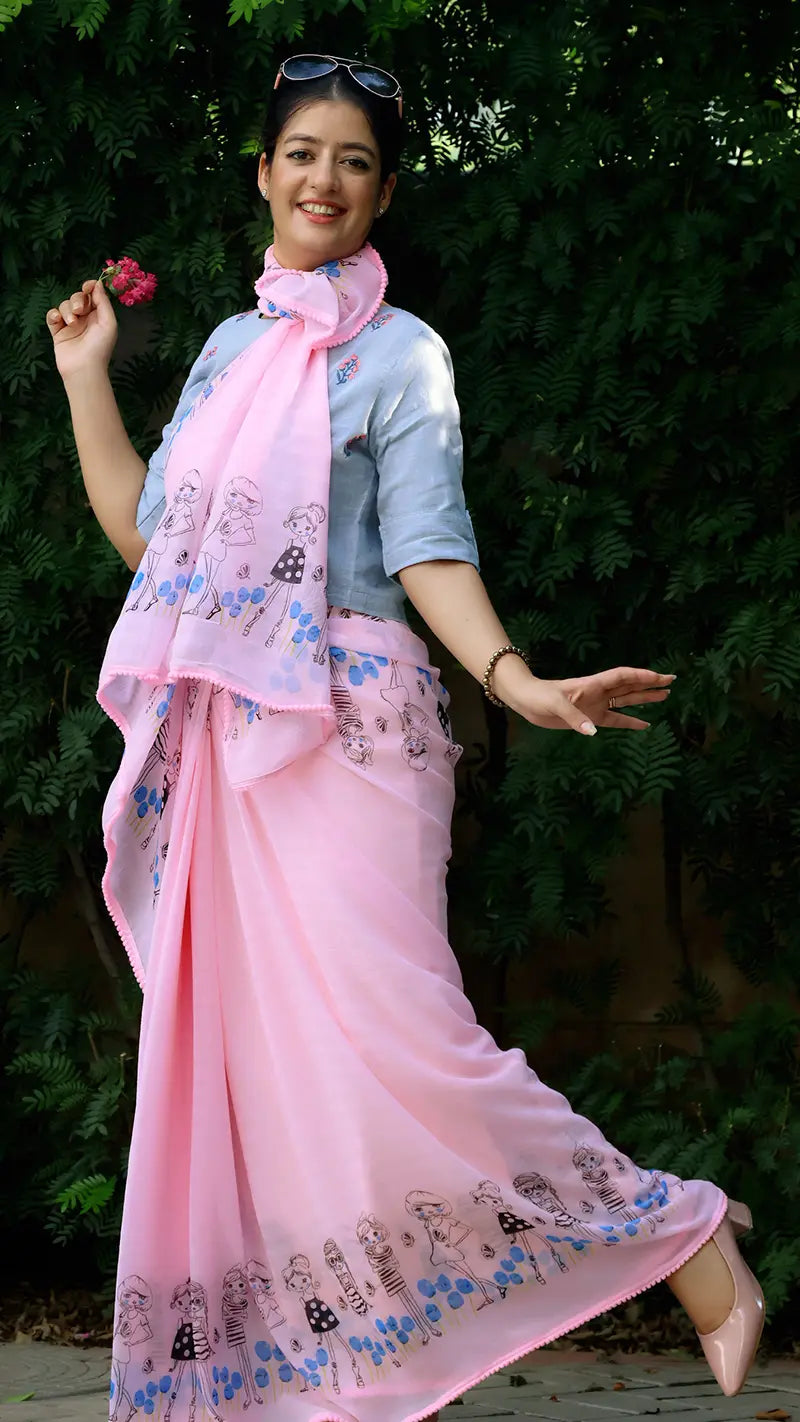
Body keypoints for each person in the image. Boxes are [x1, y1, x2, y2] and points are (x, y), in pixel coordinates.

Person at [47, 51, 764, 1422]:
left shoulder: (400, 353)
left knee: (416, 1042)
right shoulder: (229, 349)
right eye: (303, 152)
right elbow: (156, 544)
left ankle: (682, 1234)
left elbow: (429, 550)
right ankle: (339, 1376)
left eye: (356, 161)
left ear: (382, 192)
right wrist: (88, 375)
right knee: (282, 1073)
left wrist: (514, 678)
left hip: (357, 729)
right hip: (234, 744)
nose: (326, 179)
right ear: (263, 172)